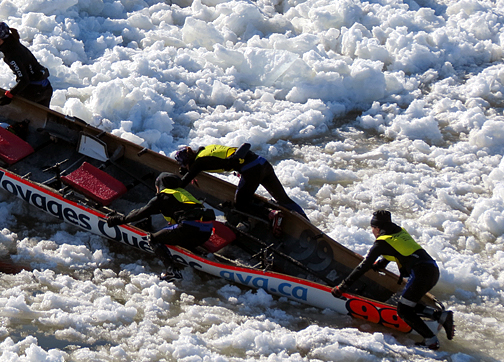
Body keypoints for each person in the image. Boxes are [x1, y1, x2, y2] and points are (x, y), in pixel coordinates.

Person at [331, 210, 455, 350]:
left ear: (377, 228)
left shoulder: (381, 242)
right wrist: (382, 263)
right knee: (406, 303)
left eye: (372, 228)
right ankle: (439, 315)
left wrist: (342, 287)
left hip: (421, 274)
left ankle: (430, 340)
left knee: (403, 309)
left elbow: (363, 266)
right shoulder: (398, 231)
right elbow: (398, 251)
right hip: (432, 270)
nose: (372, 232)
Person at [172, 144, 307, 235]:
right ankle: (306, 222)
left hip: (251, 170)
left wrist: (169, 189)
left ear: (187, 162)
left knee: (241, 203)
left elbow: (184, 182)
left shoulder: (198, 163)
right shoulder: (205, 150)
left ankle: (270, 214)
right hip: (262, 163)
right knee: (283, 199)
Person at [106, 172, 215, 282]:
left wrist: (119, 220)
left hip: (188, 229)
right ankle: (198, 252)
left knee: (153, 238)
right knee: (176, 231)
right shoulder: (183, 193)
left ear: (160, 185)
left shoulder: (162, 197)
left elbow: (140, 213)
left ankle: (172, 271)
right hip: (206, 232)